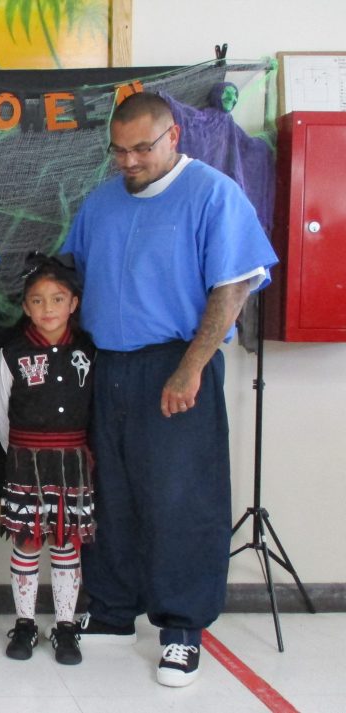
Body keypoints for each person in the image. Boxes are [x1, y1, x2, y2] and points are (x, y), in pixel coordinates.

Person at [61, 91, 278, 687]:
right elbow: (73, 274)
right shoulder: (102, 202)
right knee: (111, 494)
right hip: (108, 365)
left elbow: (233, 286)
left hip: (178, 364)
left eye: (141, 148)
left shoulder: (212, 194)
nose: (129, 161)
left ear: (173, 136)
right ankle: (112, 611)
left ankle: (182, 628)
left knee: (181, 500)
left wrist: (191, 367)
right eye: (118, 151)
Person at [0, 253, 95, 666]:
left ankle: (65, 624)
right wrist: (19, 454)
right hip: (25, 461)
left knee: (67, 541)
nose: (47, 309)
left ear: (74, 304)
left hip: (72, 462)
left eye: (57, 299)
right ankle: (25, 623)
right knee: (28, 539)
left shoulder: (89, 351)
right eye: (37, 300)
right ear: (25, 306)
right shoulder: (12, 353)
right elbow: (1, 412)